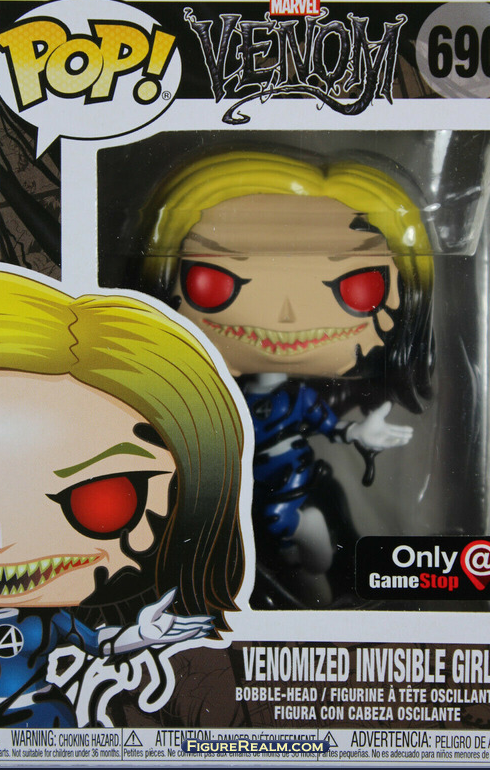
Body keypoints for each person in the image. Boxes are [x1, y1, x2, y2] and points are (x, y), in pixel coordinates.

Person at [139, 150, 434, 607]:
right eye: (216, 282)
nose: (286, 315)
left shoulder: (296, 400)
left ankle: (308, 578)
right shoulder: (220, 400)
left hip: (287, 482)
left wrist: (359, 433)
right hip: (230, 493)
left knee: (297, 547)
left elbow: (329, 426)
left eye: (355, 287)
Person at [0, 270, 245, 726]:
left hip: (42, 717)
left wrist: (145, 634)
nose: (2, 545)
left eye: (100, 499)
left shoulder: (53, 623)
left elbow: (99, 643)